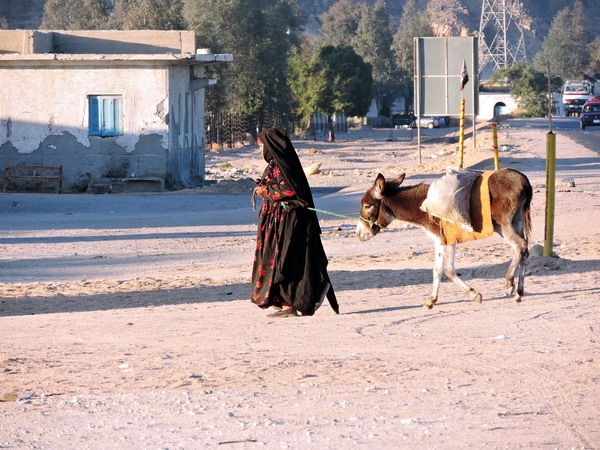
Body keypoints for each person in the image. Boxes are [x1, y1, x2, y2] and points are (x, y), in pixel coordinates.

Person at [251, 127, 339, 318]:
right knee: (279, 262)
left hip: (286, 223)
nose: (259, 151)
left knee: (283, 262)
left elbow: (289, 190)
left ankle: (288, 304)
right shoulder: (277, 163)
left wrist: (264, 192)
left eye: (261, 147)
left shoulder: (282, 164)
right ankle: (283, 304)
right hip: (277, 222)